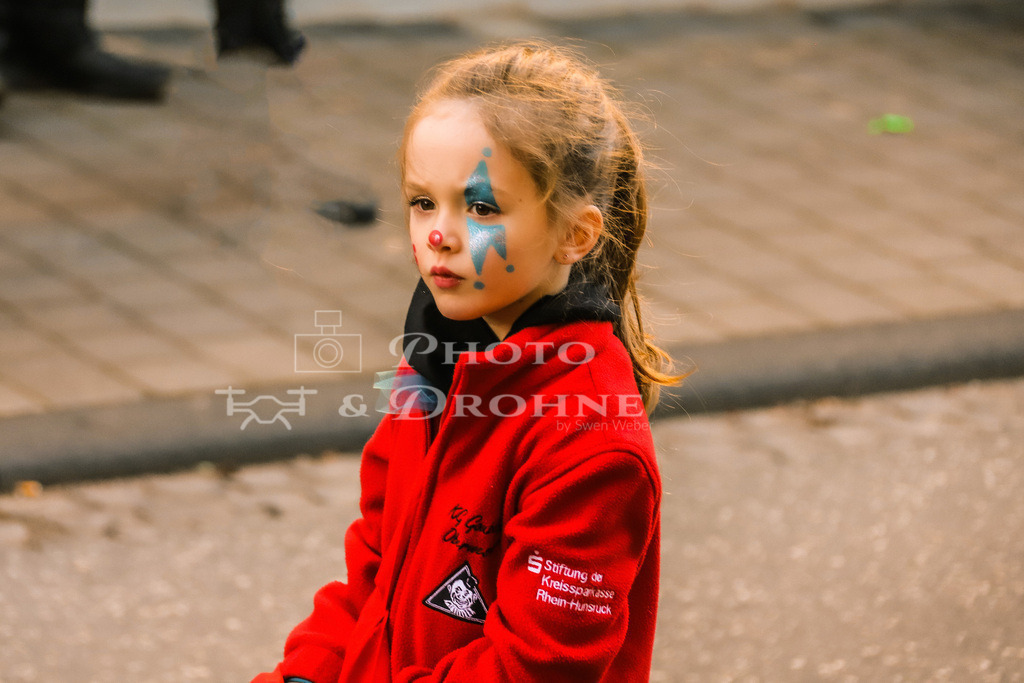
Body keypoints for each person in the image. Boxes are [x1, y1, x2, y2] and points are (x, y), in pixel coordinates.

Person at [252, 41, 680, 682]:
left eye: (481, 208)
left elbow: (534, 669)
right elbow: (375, 561)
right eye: (423, 201)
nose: (438, 235)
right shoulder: (431, 365)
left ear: (575, 234)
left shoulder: (592, 444)